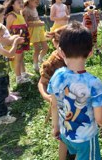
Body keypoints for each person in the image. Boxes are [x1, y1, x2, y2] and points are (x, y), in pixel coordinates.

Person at [48, 22, 102, 160]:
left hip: (66, 133)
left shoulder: (57, 75)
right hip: (86, 139)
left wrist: (55, 127)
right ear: (90, 52)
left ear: (60, 51)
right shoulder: (94, 83)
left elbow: (54, 104)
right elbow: (99, 117)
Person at [38, 26, 71, 160]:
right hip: (59, 104)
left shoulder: (74, 55)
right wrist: (47, 96)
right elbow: (41, 83)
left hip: (74, 100)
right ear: (56, 44)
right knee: (63, 134)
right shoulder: (52, 62)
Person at [4, 0, 31, 84]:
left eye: (22, 2)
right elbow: (6, 29)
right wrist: (9, 42)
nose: (21, 4)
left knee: (21, 57)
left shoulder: (19, 14)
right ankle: (18, 78)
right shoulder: (11, 15)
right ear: (12, 4)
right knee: (17, 60)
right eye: (19, 2)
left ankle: (23, 73)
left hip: (22, 40)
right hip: (16, 41)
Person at [23, 0, 48, 72]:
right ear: (29, 0)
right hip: (33, 30)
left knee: (45, 47)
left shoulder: (34, 8)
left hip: (39, 29)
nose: (38, 2)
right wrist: (38, 24)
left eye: (38, 1)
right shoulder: (26, 10)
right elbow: (26, 24)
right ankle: (35, 64)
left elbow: (36, 19)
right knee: (37, 48)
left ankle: (40, 58)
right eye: (36, 1)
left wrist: (39, 23)